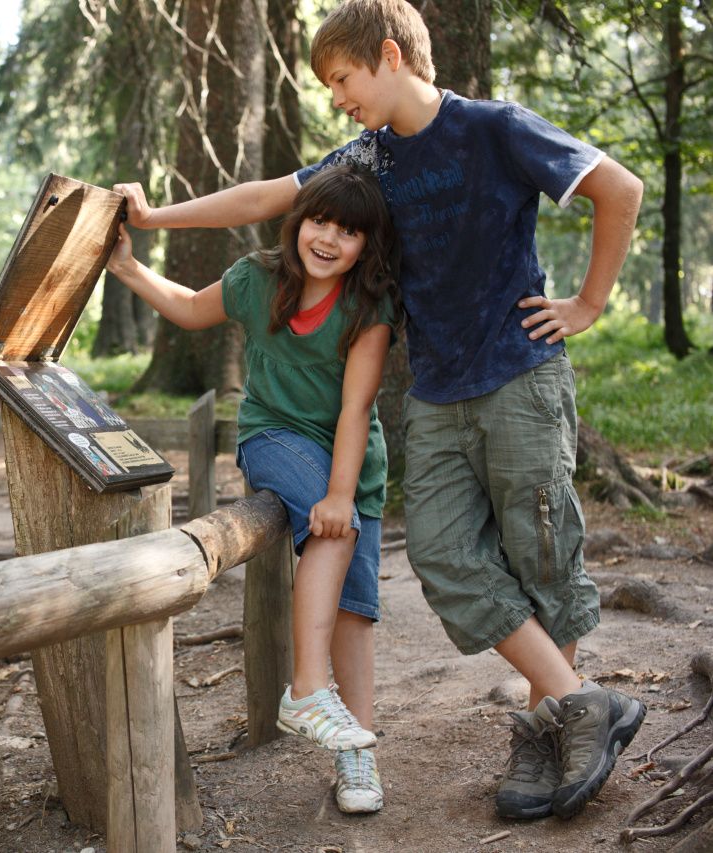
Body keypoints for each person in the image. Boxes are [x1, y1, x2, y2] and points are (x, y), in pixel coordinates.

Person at [113, 0, 647, 822]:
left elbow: (618, 187)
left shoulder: (494, 127)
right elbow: (267, 198)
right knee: (438, 554)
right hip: (433, 392)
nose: (336, 98)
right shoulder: (369, 156)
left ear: (389, 56)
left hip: (518, 375)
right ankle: (584, 701)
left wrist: (585, 303)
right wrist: (154, 218)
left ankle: (548, 734)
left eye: (341, 79)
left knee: (537, 555)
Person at [108, 164, 400, 814]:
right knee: (335, 528)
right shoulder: (254, 278)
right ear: (297, 221)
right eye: (319, 221)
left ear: (366, 245)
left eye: (348, 232)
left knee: (354, 608)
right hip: (273, 434)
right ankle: (304, 688)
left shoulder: (368, 305)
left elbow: (355, 410)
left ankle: (355, 751)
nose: (327, 239)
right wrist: (128, 269)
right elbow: (187, 308)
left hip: (352, 454)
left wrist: (341, 491)